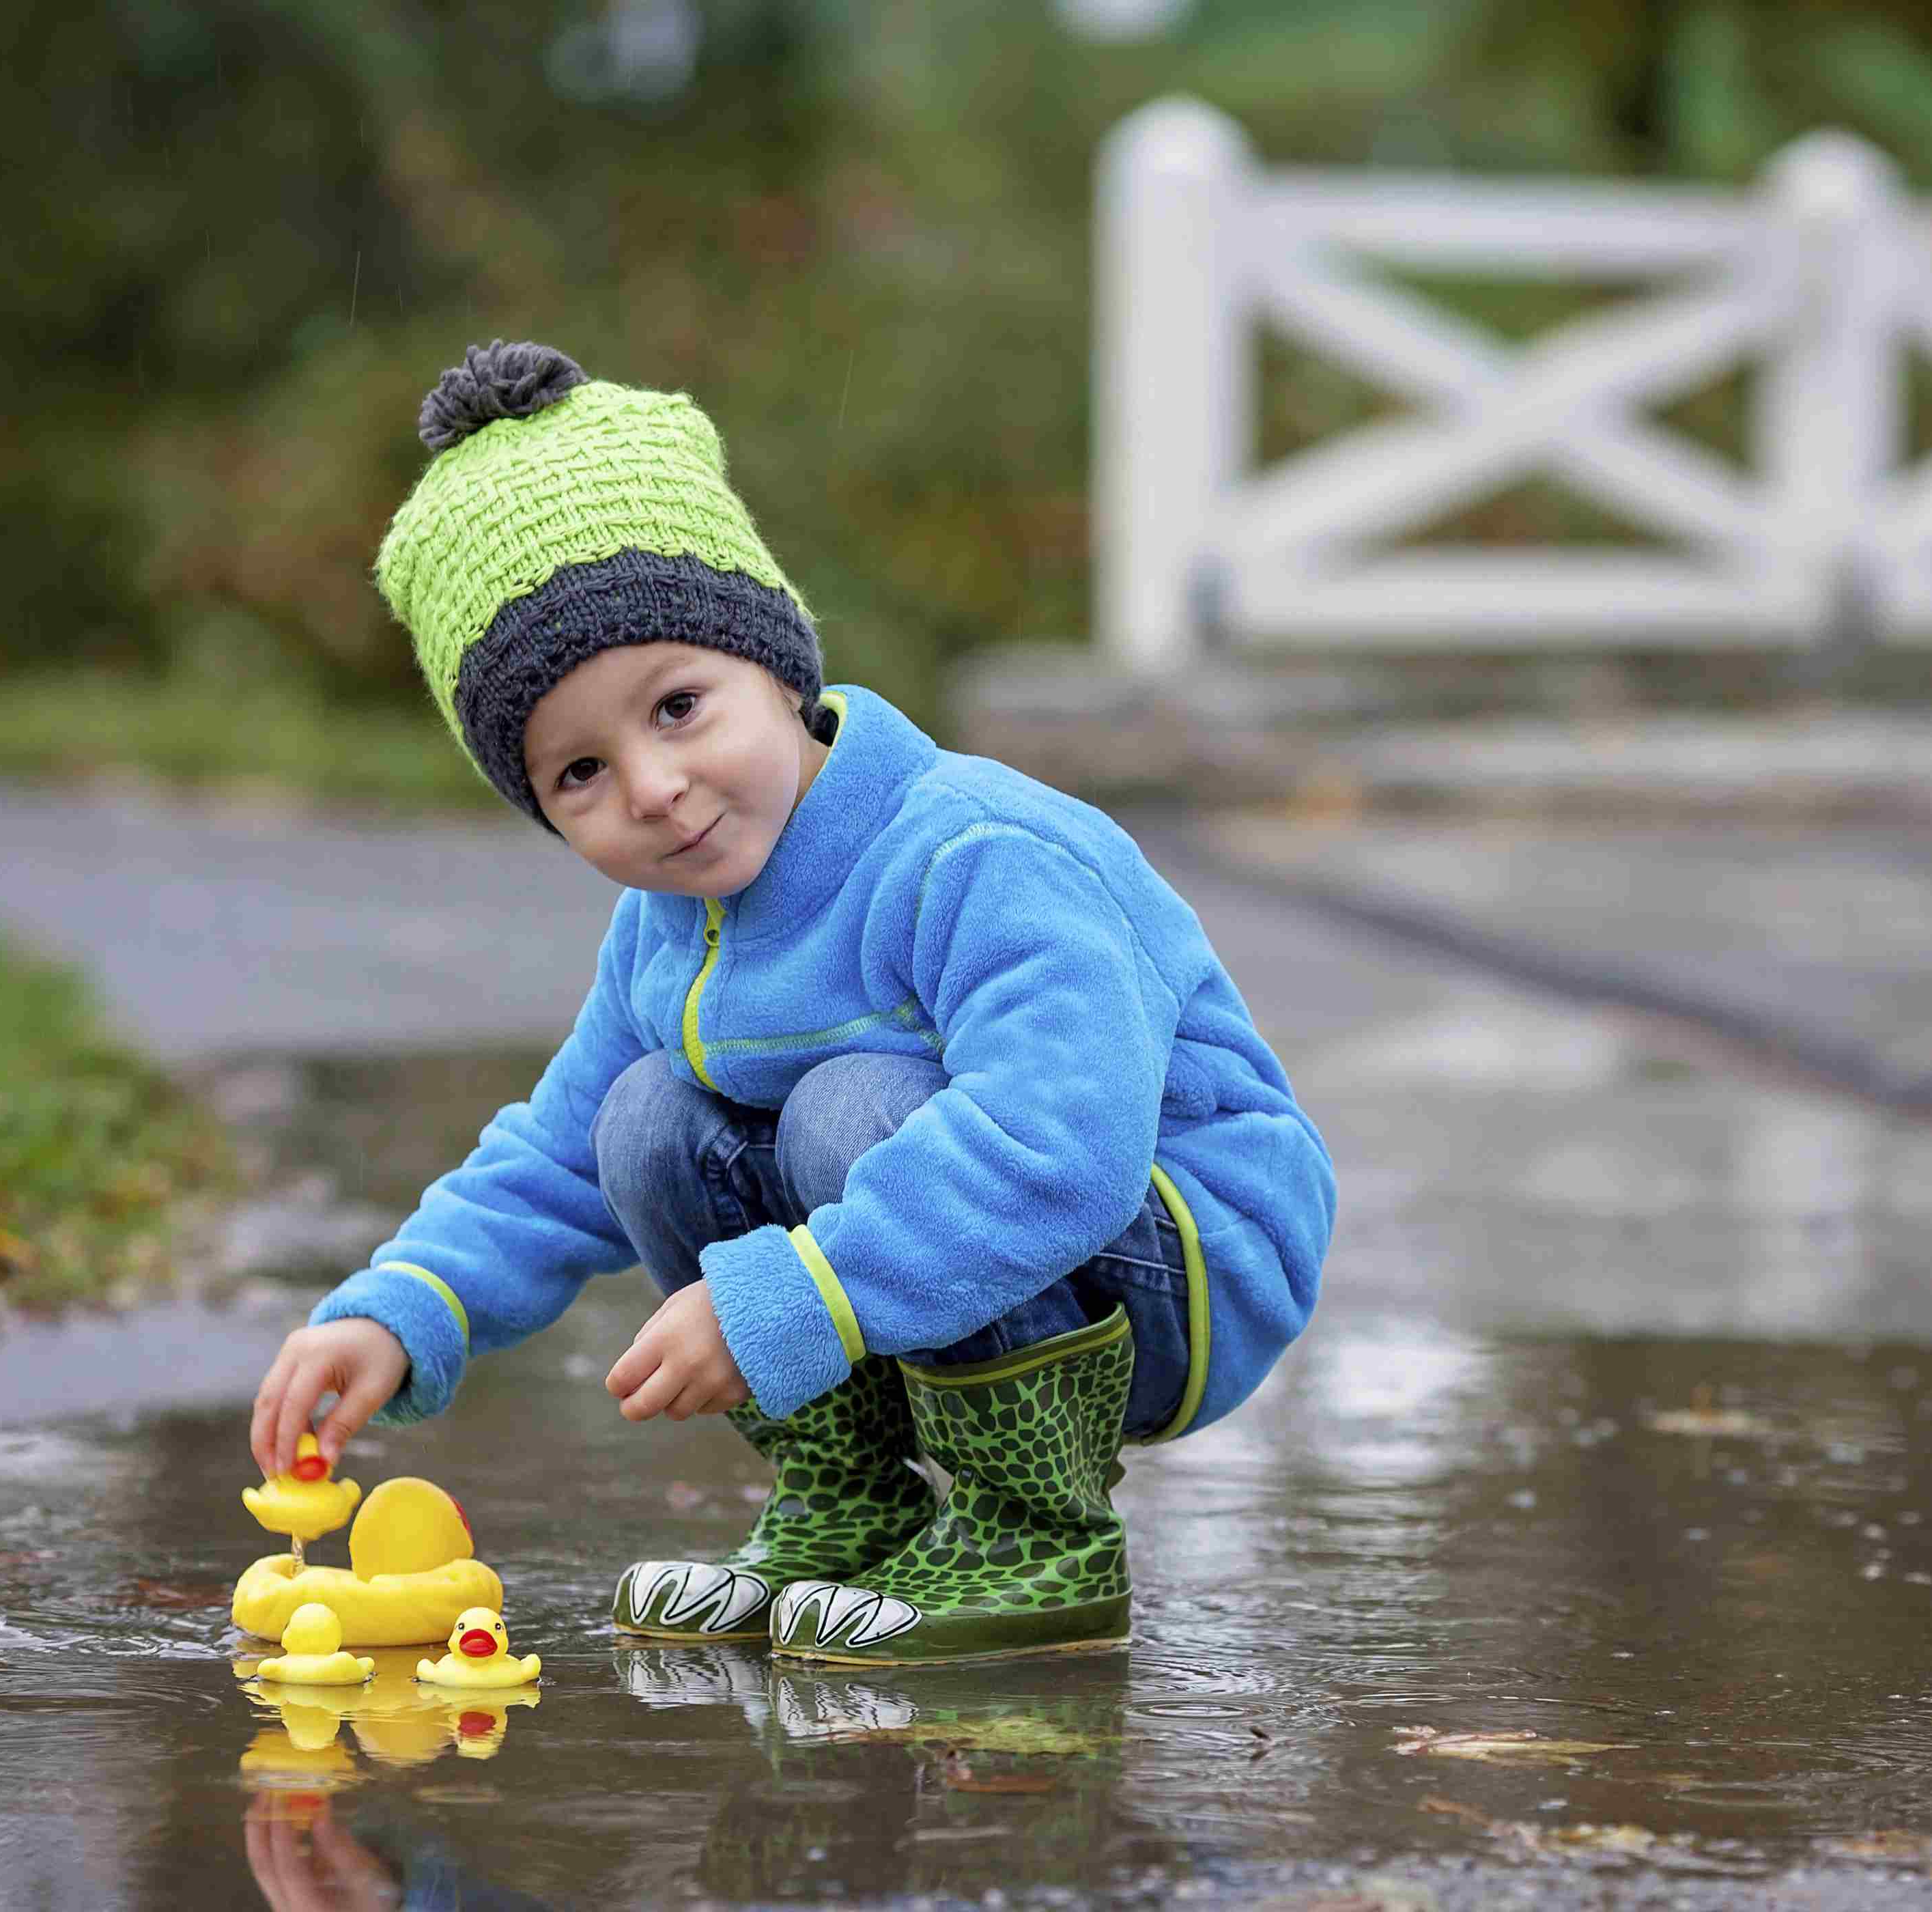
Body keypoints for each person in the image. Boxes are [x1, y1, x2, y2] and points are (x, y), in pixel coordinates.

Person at [249, 341, 1334, 1665]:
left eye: (680, 704)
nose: (652, 786)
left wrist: (794, 1294)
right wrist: (401, 1302)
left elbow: (1068, 1135)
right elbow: (556, 1148)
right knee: (649, 1114)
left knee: (849, 1101)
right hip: (922, 1262)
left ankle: (1035, 1526)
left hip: (1178, 1251)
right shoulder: (668, 929)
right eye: (580, 770)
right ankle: (852, 1502)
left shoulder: (972, 849)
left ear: (776, 661)